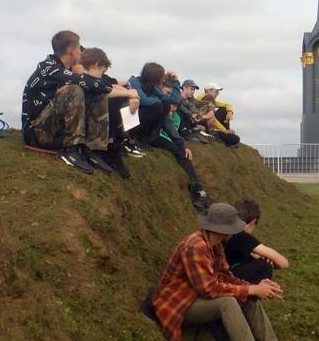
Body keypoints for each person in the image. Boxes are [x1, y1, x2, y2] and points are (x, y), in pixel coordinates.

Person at [147, 203, 302, 341]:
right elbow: (208, 289)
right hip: (179, 306)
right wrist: (251, 289)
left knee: (247, 297)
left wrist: (254, 288)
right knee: (228, 302)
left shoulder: (215, 245)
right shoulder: (195, 246)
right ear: (223, 230)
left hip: (195, 299)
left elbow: (226, 276)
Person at [22, 30, 131, 174]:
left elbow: (96, 84)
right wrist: (129, 93)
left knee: (95, 92)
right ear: (71, 51)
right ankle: (71, 150)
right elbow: (87, 81)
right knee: (76, 89)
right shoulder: (49, 68)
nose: (81, 52)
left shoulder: (62, 69)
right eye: (79, 48)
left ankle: (94, 149)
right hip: (36, 134)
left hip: (52, 129)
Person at [129, 64, 212, 209]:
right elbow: (150, 101)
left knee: (181, 153)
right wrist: (162, 101)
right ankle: (135, 141)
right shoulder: (135, 83)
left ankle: (199, 192)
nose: (167, 97)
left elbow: (173, 104)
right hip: (135, 129)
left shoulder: (157, 94)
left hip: (153, 135)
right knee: (160, 106)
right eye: (165, 92)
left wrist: (175, 82)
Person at [79, 46, 140, 179]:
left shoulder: (98, 80)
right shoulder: (83, 80)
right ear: (96, 64)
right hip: (85, 127)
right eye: (102, 70)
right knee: (111, 99)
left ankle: (112, 145)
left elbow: (111, 86)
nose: (103, 74)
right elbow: (106, 91)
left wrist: (132, 95)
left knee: (116, 98)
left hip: (92, 126)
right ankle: (110, 147)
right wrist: (130, 94)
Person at [224, 199, 290, 284]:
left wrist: (254, 255)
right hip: (224, 278)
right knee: (264, 265)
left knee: (252, 258)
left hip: (216, 273)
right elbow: (284, 263)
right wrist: (266, 259)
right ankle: (251, 295)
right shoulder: (241, 235)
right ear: (253, 222)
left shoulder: (225, 230)